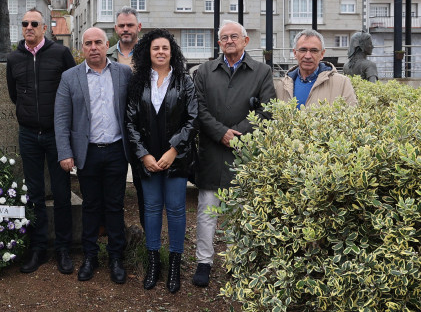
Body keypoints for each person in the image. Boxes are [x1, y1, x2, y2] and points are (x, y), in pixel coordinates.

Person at [193, 20, 275, 288]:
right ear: (219, 43)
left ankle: (236, 262)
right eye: (224, 37)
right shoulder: (204, 71)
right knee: (207, 212)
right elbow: (199, 109)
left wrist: (237, 134)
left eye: (234, 36)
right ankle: (204, 262)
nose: (229, 41)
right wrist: (221, 133)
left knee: (240, 213)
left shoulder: (262, 71)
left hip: (245, 154)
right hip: (211, 151)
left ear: (245, 40)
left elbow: (267, 110)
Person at [54, 27, 132, 284]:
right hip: (87, 153)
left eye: (98, 42)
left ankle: (116, 258)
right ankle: (90, 256)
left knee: (114, 206)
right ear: (82, 47)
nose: (93, 47)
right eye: (88, 43)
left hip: (116, 151)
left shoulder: (123, 73)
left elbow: (133, 113)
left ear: (107, 44)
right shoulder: (70, 77)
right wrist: (65, 153)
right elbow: (62, 118)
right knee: (90, 206)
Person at [125, 29, 198, 293]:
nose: (160, 52)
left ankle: (175, 265)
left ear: (172, 51)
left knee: (177, 210)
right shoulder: (138, 82)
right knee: (153, 210)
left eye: (165, 48)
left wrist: (173, 151)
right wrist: (143, 155)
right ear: (148, 51)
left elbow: (192, 120)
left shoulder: (184, 81)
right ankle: (154, 263)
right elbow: (130, 122)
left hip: (175, 159)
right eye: (155, 48)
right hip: (148, 160)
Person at [6, 9, 76, 274]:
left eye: (34, 23)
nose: (29, 27)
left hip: (57, 134)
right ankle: (38, 248)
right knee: (34, 194)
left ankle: (63, 249)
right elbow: (15, 95)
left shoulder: (60, 54)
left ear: (45, 28)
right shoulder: (14, 58)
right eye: (25, 23)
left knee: (61, 193)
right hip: (28, 134)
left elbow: (73, 90)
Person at [106, 6, 146, 231]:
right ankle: (113, 236)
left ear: (138, 27)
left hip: (143, 130)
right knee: (113, 188)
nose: (126, 29)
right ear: (115, 28)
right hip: (114, 128)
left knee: (144, 187)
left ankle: (148, 239)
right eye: (121, 25)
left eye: (130, 25)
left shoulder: (150, 54)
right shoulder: (106, 54)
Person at [276, 29, 358, 107]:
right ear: (295, 53)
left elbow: (352, 117)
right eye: (303, 50)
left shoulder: (342, 83)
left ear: (322, 54)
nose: (308, 56)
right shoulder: (282, 86)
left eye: (314, 51)